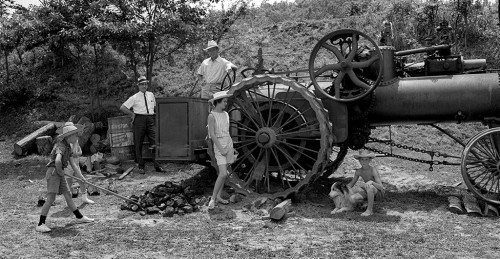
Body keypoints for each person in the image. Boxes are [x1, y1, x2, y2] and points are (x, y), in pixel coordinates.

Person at [36, 122, 94, 233]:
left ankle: (79, 217)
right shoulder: (61, 146)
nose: (77, 137)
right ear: (69, 136)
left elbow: (73, 164)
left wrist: (82, 177)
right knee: (51, 199)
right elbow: (57, 160)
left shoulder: (68, 147)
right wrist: (60, 172)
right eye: (75, 135)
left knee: (68, 195)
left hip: (59, 172)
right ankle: (40, 224)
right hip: (53, 173)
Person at [120, 76, 165, 174]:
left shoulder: (151, 95)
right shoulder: (135, 97)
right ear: (138, 86)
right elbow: (123, 107)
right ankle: (141, 165)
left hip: (151, 119)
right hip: (139, 119)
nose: (144, 86)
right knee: (138, 143)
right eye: (142, 84)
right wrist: (132, 114)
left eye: (145, 84)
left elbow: (154, 106)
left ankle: (157, 165)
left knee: (154, 141)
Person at [207, 91, 236, 209]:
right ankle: (212, 199)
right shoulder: (211, 116)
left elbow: (227, 132)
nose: (226, 103)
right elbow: (212, 135)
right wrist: (221, 149)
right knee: (223, 173)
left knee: (225, 174)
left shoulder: (226, 114)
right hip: (219, 146)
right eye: (224, 101)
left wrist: (231, 147)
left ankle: (218, 196)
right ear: (217, 102)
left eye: (226, 101)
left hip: (228, 144)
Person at [346, 150, 385, 216]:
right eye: (362, 159)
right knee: (352, 199)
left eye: (366, 159)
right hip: (367, 191)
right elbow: (351, 184)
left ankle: (369, 210)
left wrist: (372, 182)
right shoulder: (358, 171)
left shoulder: (373, 170)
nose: (364, 161)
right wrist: (342, 187)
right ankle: (367, 203)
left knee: (370, 187)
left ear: (369, 160)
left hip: (378, 192)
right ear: (359, 160)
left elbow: (381, 187)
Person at [64, 139, 95, 204]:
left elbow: (80, 152)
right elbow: (69, 154)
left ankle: (84, 198)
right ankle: (69, 201)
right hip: (68, 167)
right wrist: (73, 154)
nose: (76, 136)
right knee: (68, 183)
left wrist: (76, 153)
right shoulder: (67, 144)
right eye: (74, 135)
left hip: (76, 165)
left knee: (81, 180)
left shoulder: (76, 141)